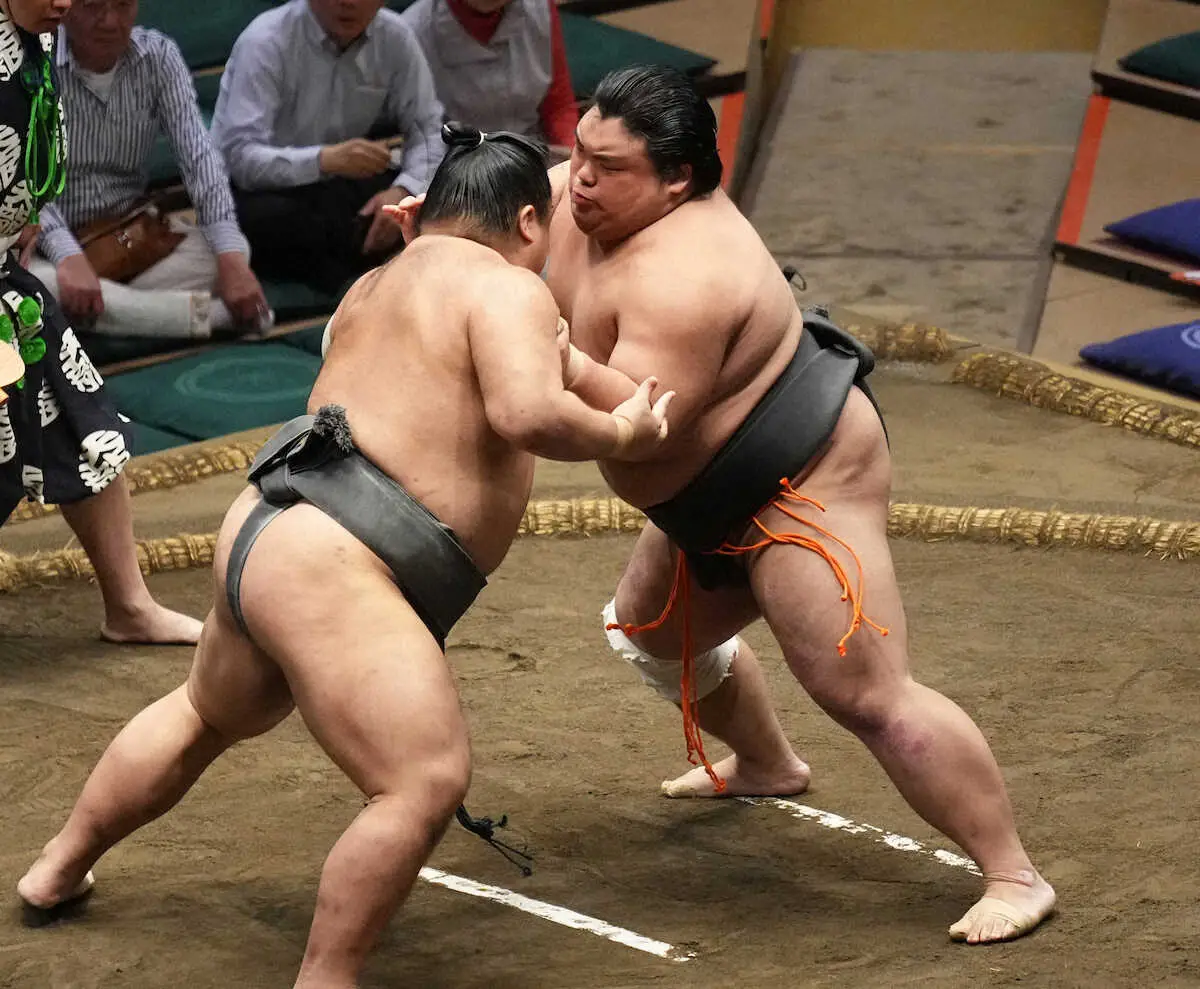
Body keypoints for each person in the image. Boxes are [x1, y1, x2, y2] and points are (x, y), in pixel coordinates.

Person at [17, 122, 674, 989]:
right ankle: (328, 976)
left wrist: (626, 394)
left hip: (270, 526)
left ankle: (58, 863)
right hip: (340, 557)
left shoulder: (374, 285)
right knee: (423, 778)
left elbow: (559, 373)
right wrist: (619, 431)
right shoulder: (507, 290)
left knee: (206, 712)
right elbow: (528, 412)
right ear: (525, 223)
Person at [538, 65, 1056, 944]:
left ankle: (1014, 870)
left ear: (679, 181)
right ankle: (768, 763)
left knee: (864, 691)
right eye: (582, 152)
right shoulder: (562, 195)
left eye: (609, 166)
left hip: (798, 480)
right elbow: (487, 233)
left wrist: (535, 361)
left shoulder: (691, 272)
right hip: (700, 499)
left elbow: (641, 423)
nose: (582, 178)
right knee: (654, 631)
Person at [0, 0, 201, 645]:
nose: (64, 2)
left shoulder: (36, 41)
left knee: (86, 422)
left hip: (10, 287)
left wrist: (26, 216)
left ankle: (129, 605)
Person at [30, 0, 271, 342]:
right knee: (38, 289)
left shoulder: (158, 56)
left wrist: (232, 262)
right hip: (49, 244)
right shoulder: (34, 63)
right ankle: (211, 317)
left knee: (232, 251)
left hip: (132, 236)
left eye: (123, 5)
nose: (109, 21)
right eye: (93, 6)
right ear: (65, 7)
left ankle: (106, 308)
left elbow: (200, 158)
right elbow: (25, 182)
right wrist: (66, 255)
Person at [210, 0, 446, 295]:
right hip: (261, 190)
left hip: (337, 185)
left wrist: (404, 192)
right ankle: (361, 277)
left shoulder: (395, 36)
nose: (348, 3)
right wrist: (324, 160)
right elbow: (240, 160)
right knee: (275, 220)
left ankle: (358, 268)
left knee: (436, 197)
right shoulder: (266, 40)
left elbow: (429, 129)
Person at [400, 0, 578, 161]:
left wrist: (574, 153)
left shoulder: (541, 9)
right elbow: (421, 143)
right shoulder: (412, 31)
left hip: (532, 155)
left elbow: (558, 106)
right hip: (455, 167)